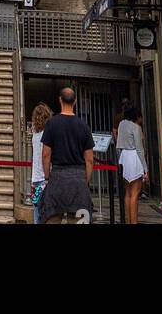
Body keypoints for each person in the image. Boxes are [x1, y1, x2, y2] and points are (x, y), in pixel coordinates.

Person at [38, 87, 95, 224]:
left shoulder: (52, 124)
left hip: (57, 178)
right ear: (75, 102)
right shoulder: (83, 126)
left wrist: (47, 177)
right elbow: (90, 160)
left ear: (60, 100)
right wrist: (85, 180)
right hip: (78, 180)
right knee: (78, 220)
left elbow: (46, 155)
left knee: (52, 219)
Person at [115, 104, 148, 224]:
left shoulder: (121, 125)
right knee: (135, 193)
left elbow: (118, 145)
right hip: (134, 157)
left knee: (127, 193)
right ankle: (134, 222)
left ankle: (128, 221)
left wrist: (119, 159)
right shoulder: (136, 128)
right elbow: (140, 149)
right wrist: (145, 168)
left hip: (124, 157)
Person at [29, 102, 52, 224]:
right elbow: (46, 155)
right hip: (44, 177)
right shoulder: (48, 134)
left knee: (36, 210)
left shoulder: (34, 134)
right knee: (47, 211)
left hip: (35, 178)